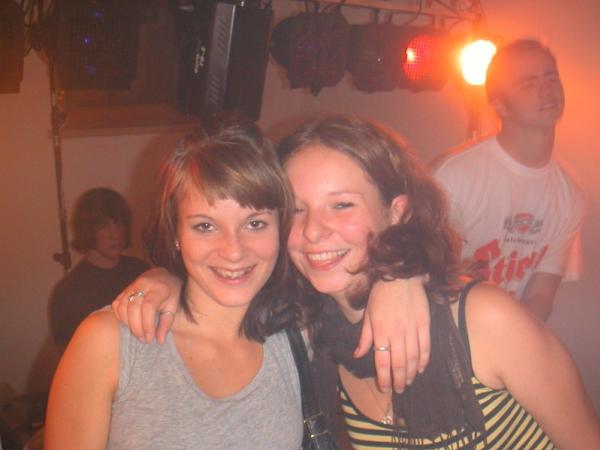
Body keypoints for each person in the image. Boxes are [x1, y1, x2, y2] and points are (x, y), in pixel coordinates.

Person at [113, 116, 600, 449]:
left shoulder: (484, 320)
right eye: (296, 210)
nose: (313, 231)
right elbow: (227, 275)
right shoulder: (312, 337)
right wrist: (167, 277)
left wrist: (400, 276)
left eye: (342, 205)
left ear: (396, 211)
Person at [44, 118, 304, 449]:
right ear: (176, 233)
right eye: (205, 226)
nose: (234, 251)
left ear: (281, 227)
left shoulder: (298, 336)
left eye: (255, 223)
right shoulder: (109, 343)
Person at [432, 39, 586, 321]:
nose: (547, 89)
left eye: (551, 78)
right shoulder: (454, 176)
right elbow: (425, 277)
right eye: (529, 84)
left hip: (505, 333)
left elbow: (540, 296)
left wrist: (516, 343)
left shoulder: (569, 193)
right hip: (444, 328)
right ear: (500, 106)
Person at [48, 187, 148, 352]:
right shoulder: (68, 293)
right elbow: (70, 357)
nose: (114, 235)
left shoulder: (140, 271)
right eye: (103, 227)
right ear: (87, 230)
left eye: (118, 224)